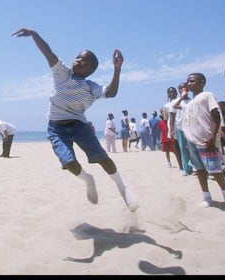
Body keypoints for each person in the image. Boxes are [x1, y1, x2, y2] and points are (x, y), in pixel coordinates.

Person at [12, 27, 138, 212]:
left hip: (80, 126)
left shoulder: (90, 86)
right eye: (78, 56)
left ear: (90, 69)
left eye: (83, 60)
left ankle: (123, 188)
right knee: (69, 162)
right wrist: (34, 34)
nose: (78, 60)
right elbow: (48, 52)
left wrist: (117, 69)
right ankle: (88, 180)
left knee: (103, 158)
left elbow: (111, 93)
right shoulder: (62, 73)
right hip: (56, 127)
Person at [182, 73, 225, 209]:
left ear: (202, 82)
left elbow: (216, 117)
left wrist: (212, 137)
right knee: (200, 170)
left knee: (216, 170)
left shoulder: (207, 96)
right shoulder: (190, 102)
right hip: (192, 140)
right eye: (188, 81)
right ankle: (206, 196)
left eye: (192, 81)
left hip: (206, 140)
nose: (189, 84)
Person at [171, 82, 192, 175]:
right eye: (181, 88)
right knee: (183, 149)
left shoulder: (192, 100)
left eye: (185, 87)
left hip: (191, 127)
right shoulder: (175, 101)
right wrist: (171, 130)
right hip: (180, 127)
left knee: (193, 148)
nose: (183, 89)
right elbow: (172, 116)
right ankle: (186, 168)